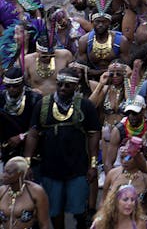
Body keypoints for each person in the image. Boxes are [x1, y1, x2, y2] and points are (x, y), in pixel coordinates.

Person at [24, 68, 101, 229]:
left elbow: (94, 135)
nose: (63, 88)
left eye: (67, 85)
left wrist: (93, 164)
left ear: (76, 86)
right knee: (54, 210)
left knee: (79, 209)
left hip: (78, 168)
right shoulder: (43, 105)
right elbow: (33, 134)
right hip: (50, 169)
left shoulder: (86, 105)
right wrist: (27, 162)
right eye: (60, 85)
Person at [0, 67, 41, 163]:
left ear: (22, 84)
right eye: (8, 86)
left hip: (31, 148)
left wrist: (21, 137)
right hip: (7, 148)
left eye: (15, 86)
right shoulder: (1, 97)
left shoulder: (34, 99)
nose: (11, 89)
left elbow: (39, 126)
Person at [0, 156, 52, 229]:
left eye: (9, 173)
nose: (3, 176)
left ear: (20, 174)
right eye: (4, 171)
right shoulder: (1, 191)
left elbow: (44, 224)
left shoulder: (36, 192)